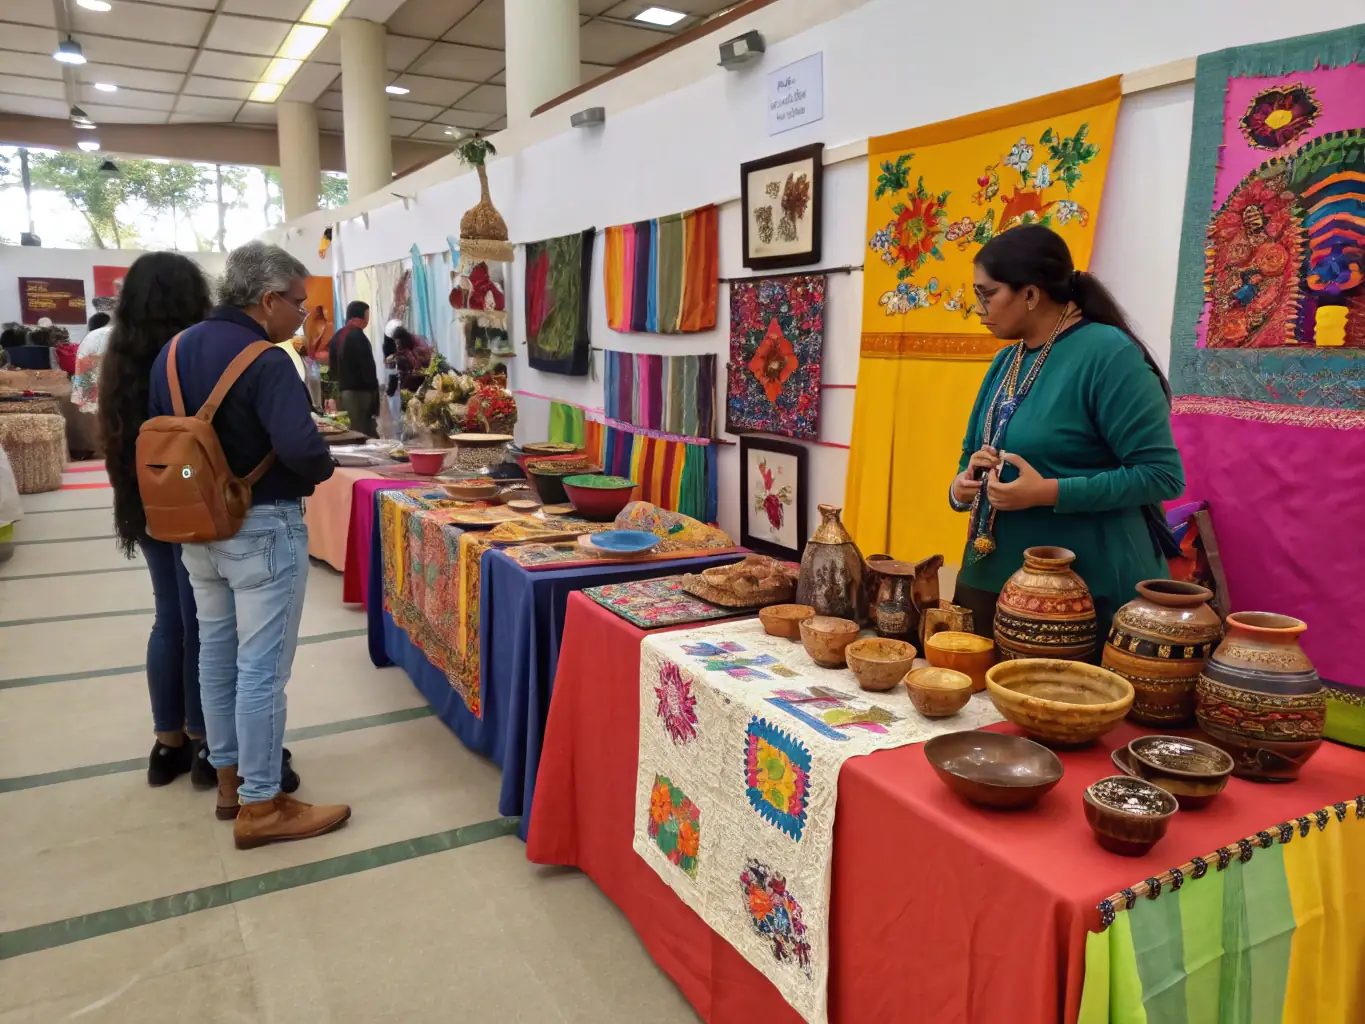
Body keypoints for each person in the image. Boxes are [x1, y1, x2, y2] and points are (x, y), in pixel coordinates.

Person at [149, 240, 348, 849]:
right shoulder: (266, 360)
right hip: (262, 527)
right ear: (266, 300)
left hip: (197, 527)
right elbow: (302, 450)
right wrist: (321, 463)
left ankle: (230, 782)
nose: (302, 316)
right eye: (297, 303)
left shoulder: (173, 352)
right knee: (262, 669)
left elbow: (163, 442)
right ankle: (263, 805)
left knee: (215, 653)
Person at [948, 225, 1184, 640]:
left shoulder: (1108, 354)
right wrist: (962, 485)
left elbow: (1161, 476)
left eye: (987, 294)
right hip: (993, 576)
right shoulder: (1007, 360)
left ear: (1031, 294)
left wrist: (1048, 492)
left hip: (1083, 589)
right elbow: (972, 451)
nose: (979, 309)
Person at [98, 253, 217, 787]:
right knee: (200, 620)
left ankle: (167, 742)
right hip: (189, 498)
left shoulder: (120, 356)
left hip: (143, 499)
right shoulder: (191, 353)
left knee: (169, 617)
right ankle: (205, 741)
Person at [329, 300, 379, 437]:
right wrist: (374, 394)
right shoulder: (358, 337)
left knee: (348, 430)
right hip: (359, 393)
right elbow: (368, 367)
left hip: (342, 391)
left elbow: (332, 366)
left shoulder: (337, 336)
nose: (367, 320)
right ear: (358, 317)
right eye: (367, 316)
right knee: (362, 432)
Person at [72, 313, 113, 410]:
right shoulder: (106, 334)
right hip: (94, 385)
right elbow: (100, 360)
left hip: (85, 385)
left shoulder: (92, 336)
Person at [392, 326, 433, 394]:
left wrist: (416, 369)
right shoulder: (402, 350)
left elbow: (422, 362)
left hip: (423, 374)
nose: (397, 346)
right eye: (396, 344)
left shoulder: (416, 345)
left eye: (398, 343)